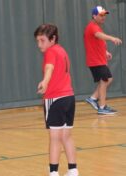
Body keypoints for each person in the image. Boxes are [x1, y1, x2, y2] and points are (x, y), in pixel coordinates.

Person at [34, 24, 79, 176]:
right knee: (66, 136)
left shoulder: (50, 52)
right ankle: (73, 169)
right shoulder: (62, 51)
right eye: (38, 41)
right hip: (69, 98)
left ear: (53, 39)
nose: (39, 44)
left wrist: (45, 82)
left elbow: (49, 68)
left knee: (54, 138)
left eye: (42, 40)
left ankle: (53, 172)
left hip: (56, 99)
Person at [84, 6, 122, 115]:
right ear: (94, 16)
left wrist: (105, 52)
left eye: (104, 15)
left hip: (99, 60)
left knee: (108, 79)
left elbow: (96, 42)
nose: (103, 17)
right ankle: (102, 107)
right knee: (105, 81)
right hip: (96, 61)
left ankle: (93, 98)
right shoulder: (92, 27)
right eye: (101, 15)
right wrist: (112, 38)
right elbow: (99, 36)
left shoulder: (96, 27)